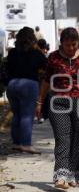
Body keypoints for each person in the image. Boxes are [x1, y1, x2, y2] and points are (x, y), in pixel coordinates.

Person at [35, 27, 79, 189]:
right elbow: (46, 81)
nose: (71, 48)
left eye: (74, 45)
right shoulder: (53, 57)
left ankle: (73, 173)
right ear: (62, 44)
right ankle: (60, 176)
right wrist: (40, 102)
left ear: (78, 43)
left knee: (78, 138)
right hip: (58, 102)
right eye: (67, 45)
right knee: (63, 137)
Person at [6, 26, 47, 154]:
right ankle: (26, 144)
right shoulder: (36, 53)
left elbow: (8, 67)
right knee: (27, 115)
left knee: (16, 114)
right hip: (29, 84)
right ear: (32, 39)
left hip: (12, 84)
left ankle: (16, 143)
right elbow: (46, 67)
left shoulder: (12, 52)